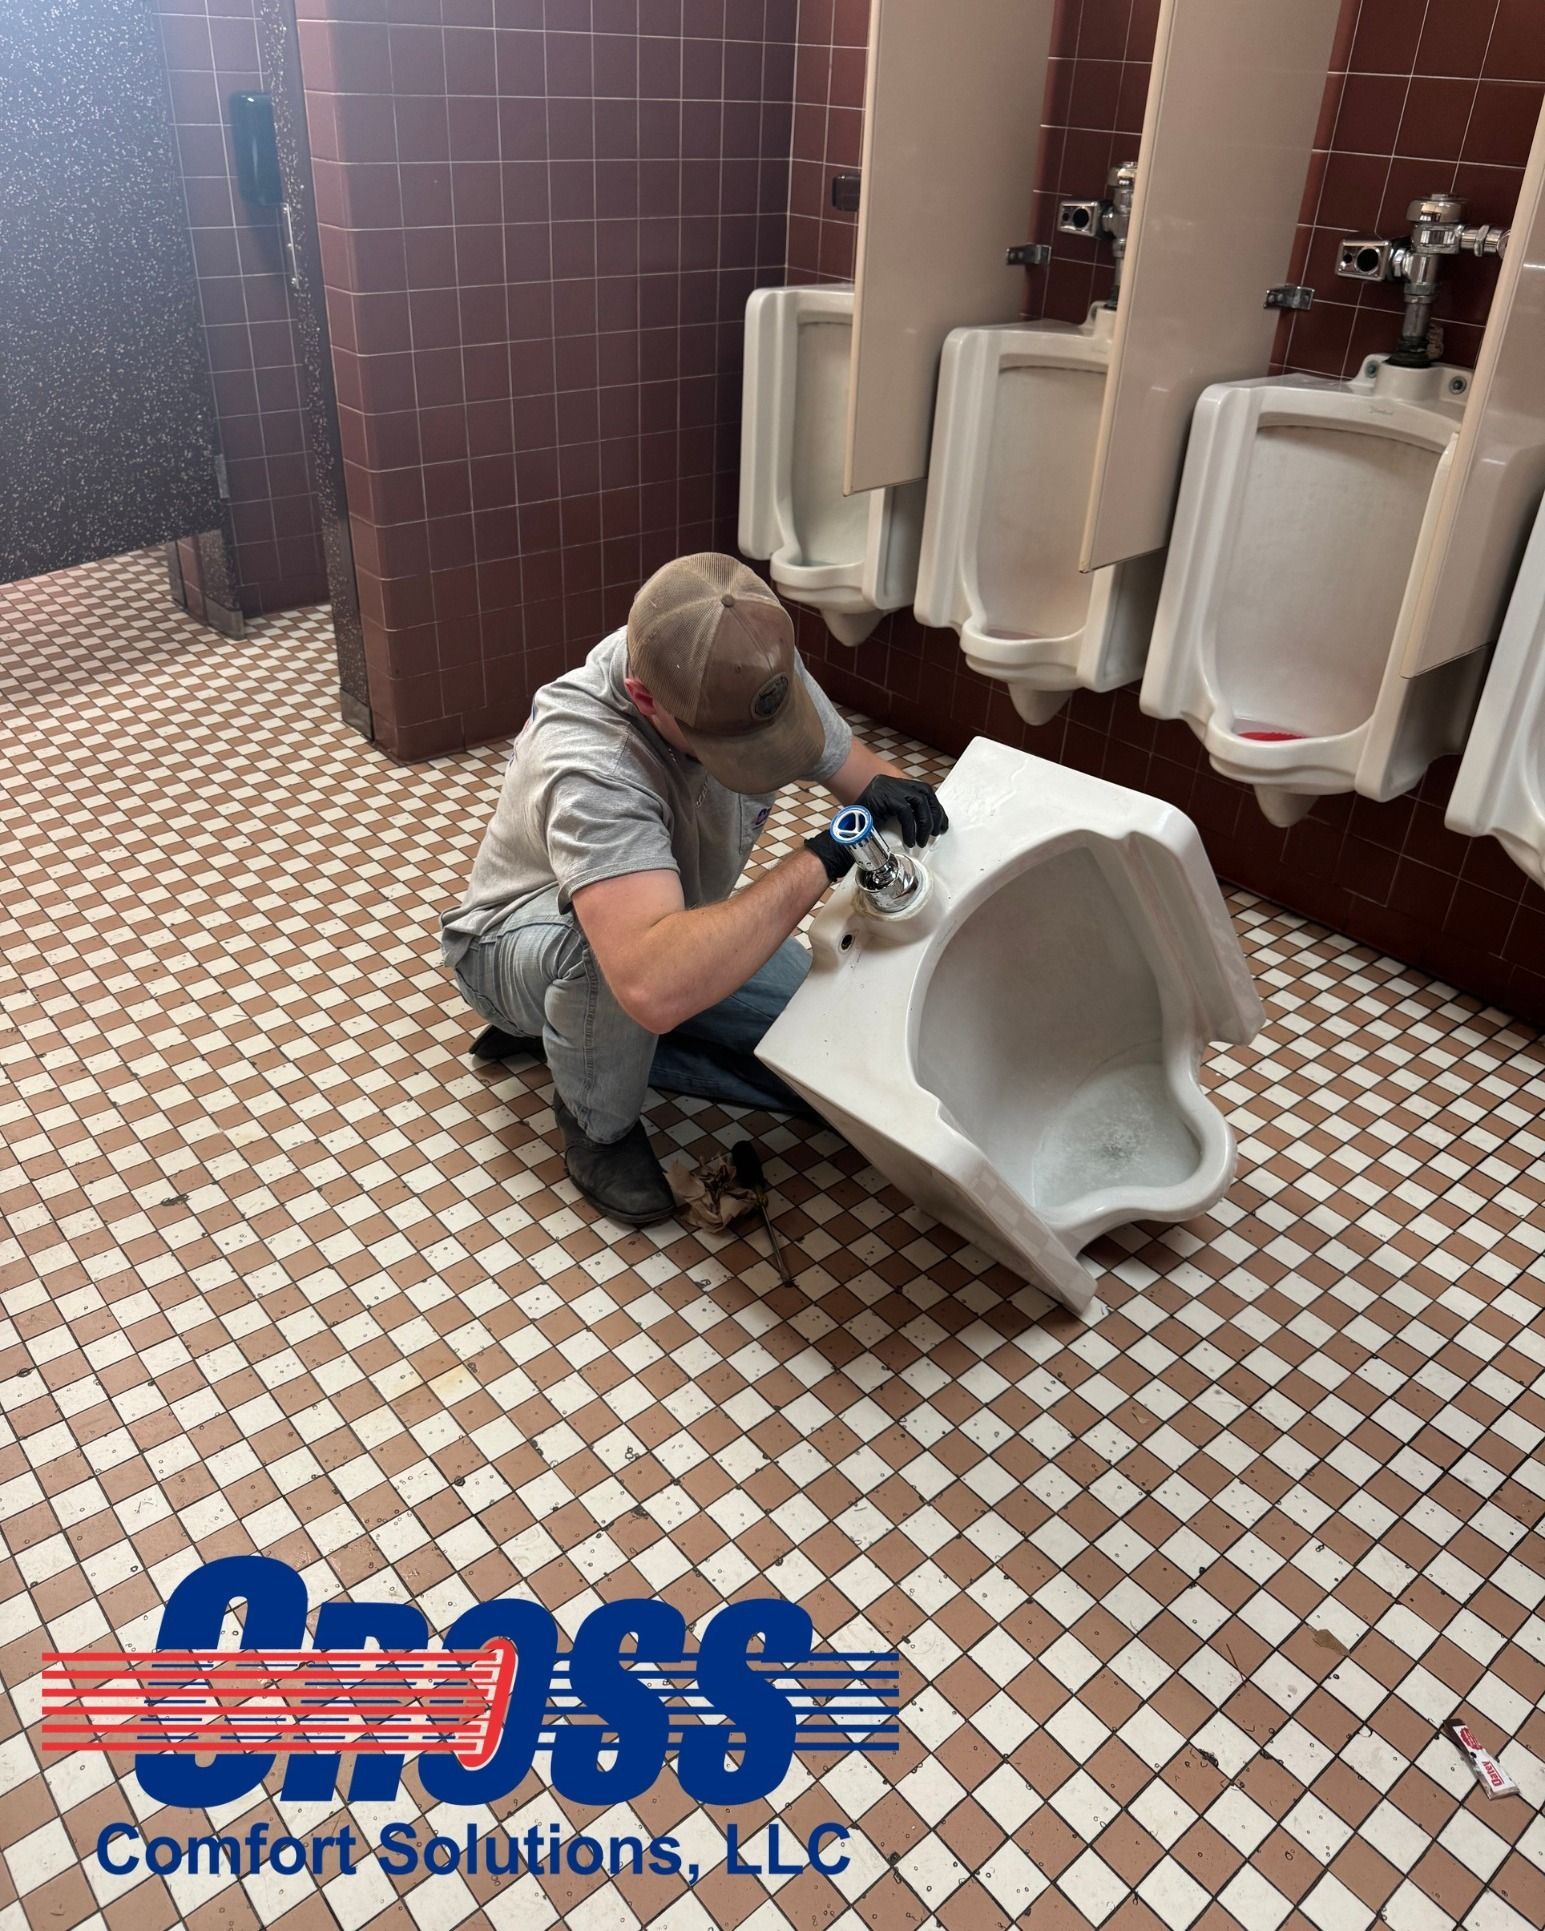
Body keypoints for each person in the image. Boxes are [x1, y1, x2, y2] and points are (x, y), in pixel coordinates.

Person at [440, 553, 948, 1226]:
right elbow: (650, 978)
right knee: (619, 968)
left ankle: (585, 1046)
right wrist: (826, 853)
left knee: (828, 1066)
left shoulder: (747, 657)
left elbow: (868, 782)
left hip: (677, 917)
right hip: (520, 944)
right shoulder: (593, 762)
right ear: (646, 698)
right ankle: (596, 1123)